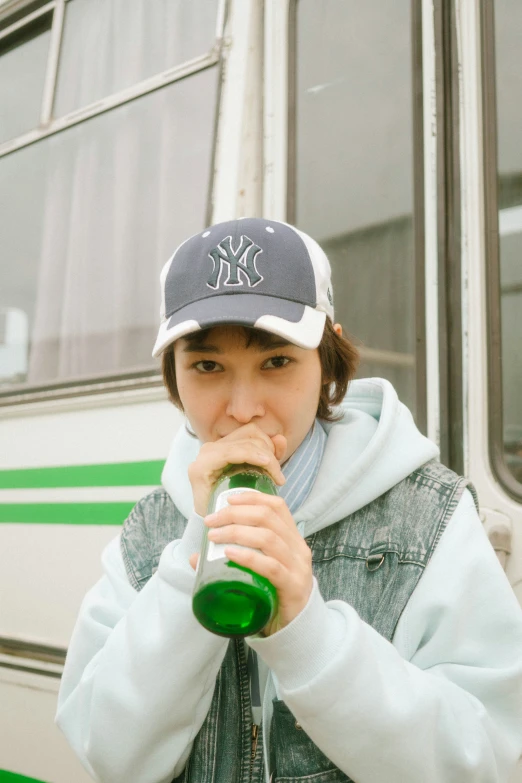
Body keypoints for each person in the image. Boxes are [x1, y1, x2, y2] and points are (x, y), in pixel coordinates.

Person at [56, 217, 522, 783]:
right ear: (174, 378)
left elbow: (485, 761)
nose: (243, 407)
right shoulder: (152, 531)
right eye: (207, 366)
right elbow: (107, 753)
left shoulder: (430, 515)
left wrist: (307, 631)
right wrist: (189, 563)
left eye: (276, 362)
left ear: (326, 360)